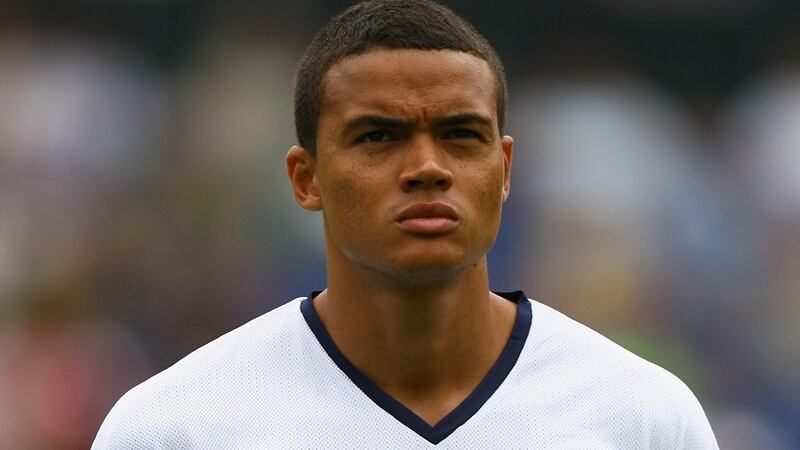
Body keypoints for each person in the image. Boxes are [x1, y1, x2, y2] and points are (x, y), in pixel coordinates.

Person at [93, 0, 718, 447]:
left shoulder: (641, 417)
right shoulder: (175, 427)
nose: (427, 168)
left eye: (460, 134)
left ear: (504, 170)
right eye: (378, 136)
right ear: (306, 178)